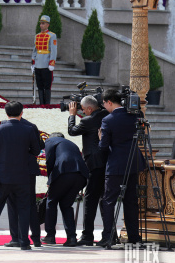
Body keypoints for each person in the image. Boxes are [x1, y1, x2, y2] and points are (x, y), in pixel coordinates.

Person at [0, 101, 41, 250]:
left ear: (6, 113)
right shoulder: (28, 129)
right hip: (23, 176)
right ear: (22, 113)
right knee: (24, 209)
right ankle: (24, 243)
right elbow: (36, 151)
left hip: (3, 176)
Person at [97, 89, 145, 247]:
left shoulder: (108, 120)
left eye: (104, 103)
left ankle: (109, 237)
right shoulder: (135, 115)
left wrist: (100, 139)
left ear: (109, 102)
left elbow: (103, 147)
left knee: (109, 201)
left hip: (116, 166)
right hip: (134, 163)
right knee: (131, 202)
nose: (104, 107)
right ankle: (134, 237)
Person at [67, 96, 109, 246]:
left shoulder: (87, 121)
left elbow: (72, 131)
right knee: (105, 199)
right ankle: (109, 234)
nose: (82, 112)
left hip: (94, 165)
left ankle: (87, 235)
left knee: (90, 199)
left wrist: (72, 115)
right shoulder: (106, 115)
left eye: (83, 109)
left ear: (90, 109)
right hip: (107, 163)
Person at [41, 132, 89, 247]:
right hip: (81, 176)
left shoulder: (50, 141)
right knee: (66, 205)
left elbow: (50, 162)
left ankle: (50, 236)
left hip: (64, 173)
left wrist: (50, 181)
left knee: (51, 202)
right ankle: (71, 237)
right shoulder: (71, 143)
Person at [4, 117, 45, 248]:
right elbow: (39, 148)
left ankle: (15, 238)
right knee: (30, 203)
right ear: (21, 112)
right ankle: (36, 238)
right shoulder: (31, 126)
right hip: (28, 169)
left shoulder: (3, 126)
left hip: (10, 169)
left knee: (12, 203)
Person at [31, 15, 57, 105]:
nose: (41, 25)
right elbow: (35, 50)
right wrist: (33, 61)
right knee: (40, 86)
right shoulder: (37, 36)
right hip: (38, 63)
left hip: (46, 64)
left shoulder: (52, 36)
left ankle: (47, 104)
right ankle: (41, 103)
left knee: (47, 86)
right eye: (41, 23)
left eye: (43, 23)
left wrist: (52, 63)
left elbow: (53, 50)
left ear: (48, 25)